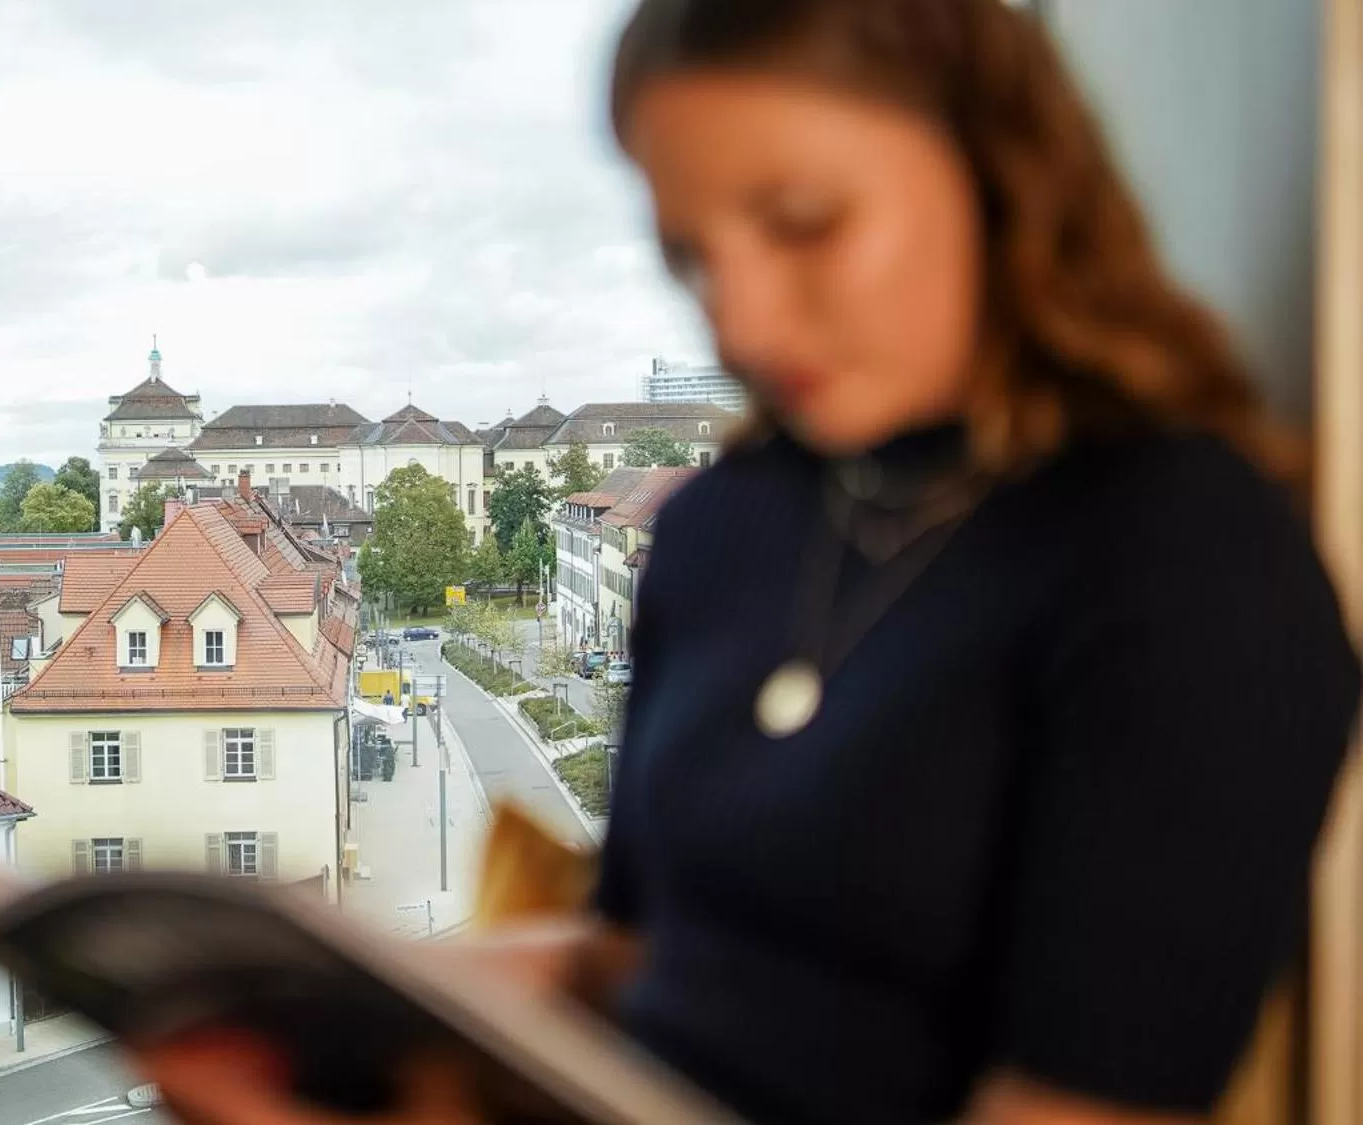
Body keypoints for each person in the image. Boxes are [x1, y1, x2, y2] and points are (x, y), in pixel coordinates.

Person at [137, 1, 1362, 1122]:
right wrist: (336, 1023)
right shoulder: (728, 524)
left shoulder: (1186, 566)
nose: (742, 324)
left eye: (802, 224)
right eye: (694, 257)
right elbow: (628, 964)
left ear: (1000, 170)